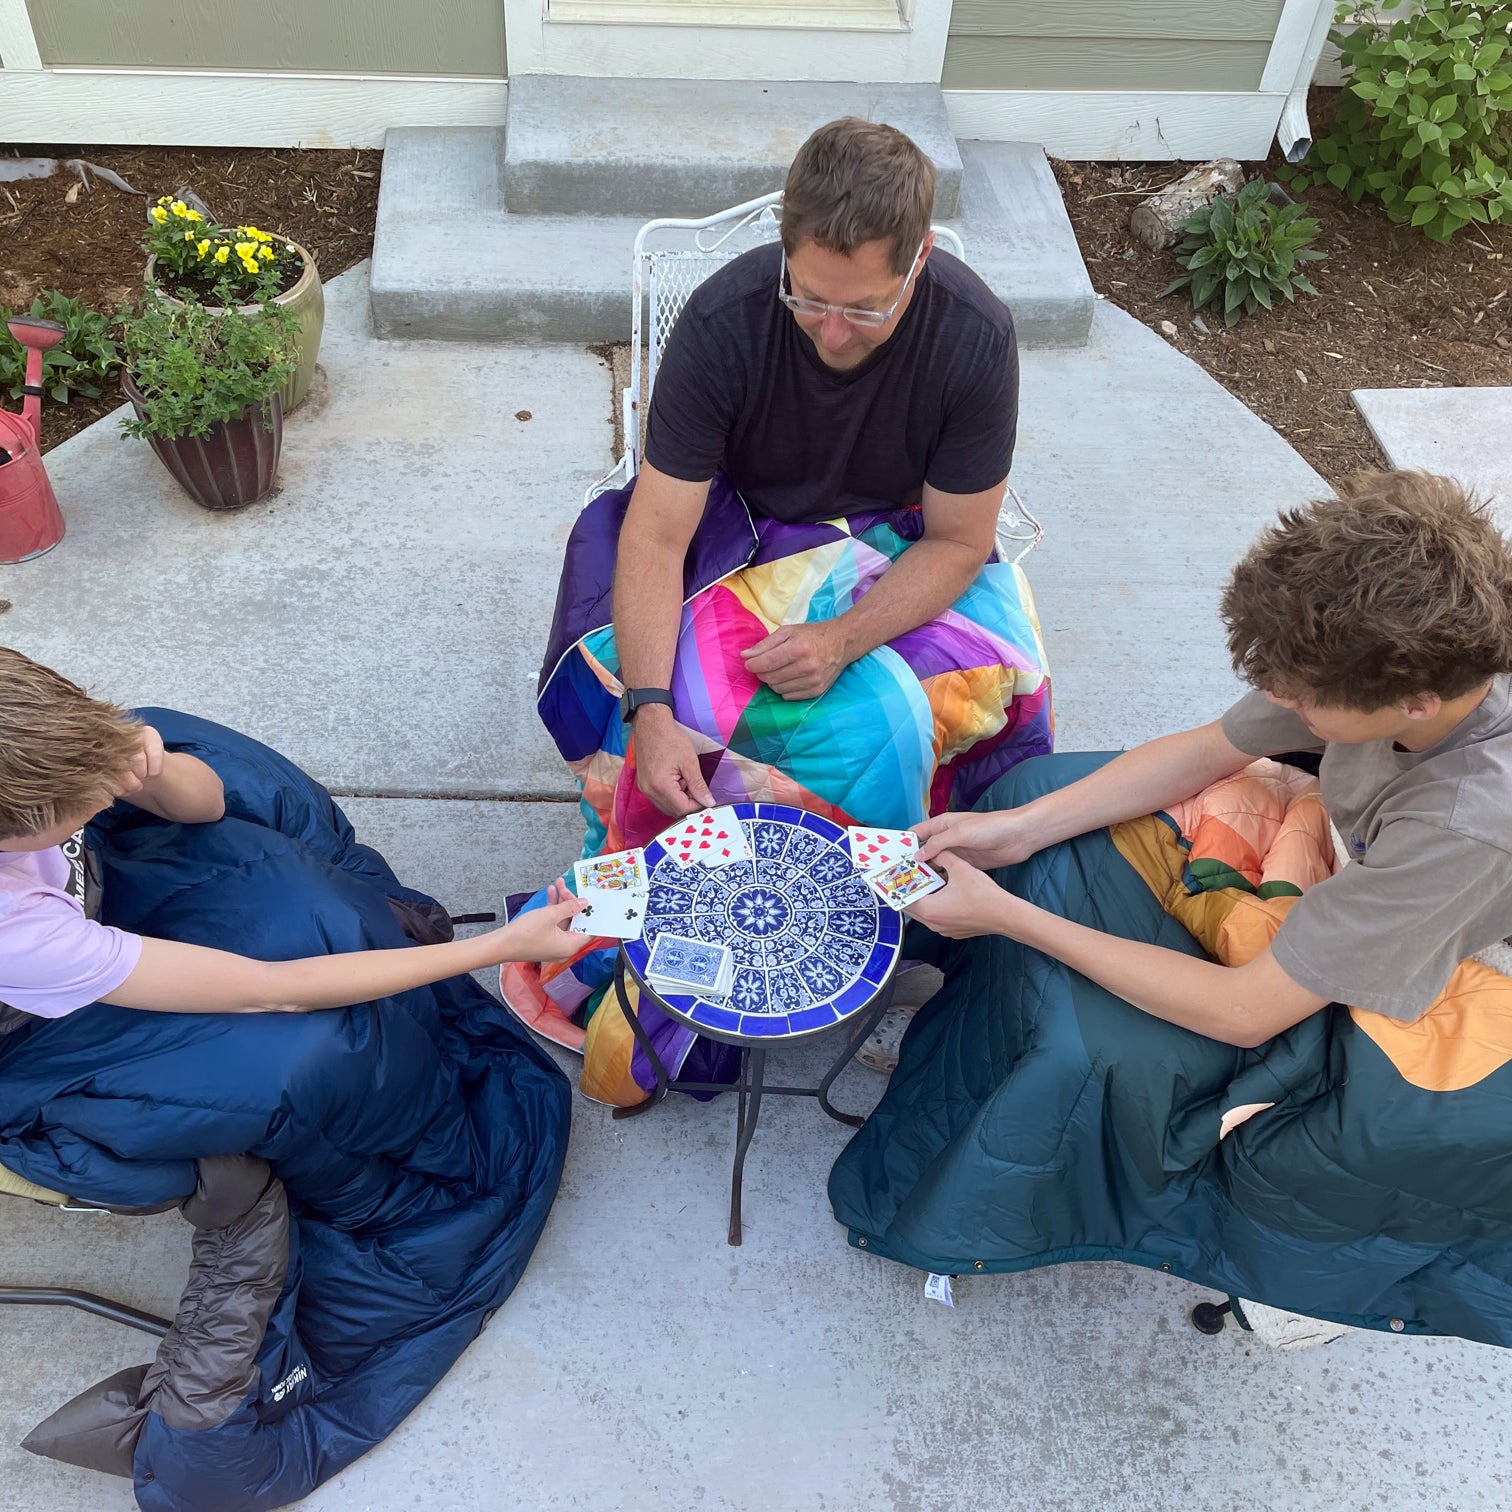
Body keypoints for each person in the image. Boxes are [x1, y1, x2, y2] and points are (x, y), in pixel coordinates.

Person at [511, 117, 1051, 1103]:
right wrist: (649, 708)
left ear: (920, 261)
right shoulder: (725, 323)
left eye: (866, 309)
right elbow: (658, 534)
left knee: (940, 704)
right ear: (785, 255)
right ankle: (701, 917)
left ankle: (872, 916)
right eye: (809, 300)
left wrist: (845, 637)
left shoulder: (974, 336)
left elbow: (962, 540)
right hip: (735, 533)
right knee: (676, 715)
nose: (833, 332)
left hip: (892, 543)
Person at [910, 470, 1512, 1044]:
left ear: (1417, 704)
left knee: (1093, 1046)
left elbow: (1245, 1011)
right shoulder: (1385, 650)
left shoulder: (1463, 826)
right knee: (1032, 793)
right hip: (1372, 854)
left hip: (1438, 932)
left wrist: (1009, 917)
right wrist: (1020, 830)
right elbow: (1209, 747)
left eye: (1302, 700)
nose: (1276, 699)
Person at [0, 648, 584, 1021]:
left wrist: (148, 762)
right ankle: (222, 1185)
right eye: (81, 803)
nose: (103, 795)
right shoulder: (18, 933)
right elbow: (272, 989)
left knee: (186, 748)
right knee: (306, 1054)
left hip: (87, 890)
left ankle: (375, 914)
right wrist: (499, 947)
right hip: (48, 1011)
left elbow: (206, 806)